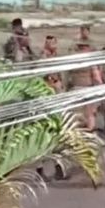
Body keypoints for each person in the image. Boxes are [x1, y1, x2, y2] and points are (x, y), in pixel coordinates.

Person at [37, 35, 68, 181]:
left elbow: (61, 77)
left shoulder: (57, 57)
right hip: (46, 101)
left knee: (58, 134)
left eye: (54, 42)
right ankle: (41, 169)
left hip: (57, 99)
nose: (53, 45)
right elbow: (43, 76)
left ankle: (58, 167)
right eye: (50, 42)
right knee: (44, 136)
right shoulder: (43, 58)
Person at [67, 39, 103, 132]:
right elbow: (97, 78)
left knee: (75, 115)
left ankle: (76, 133)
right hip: (86, 90)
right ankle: (90, 132)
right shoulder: (90, 61)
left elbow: (67, 77)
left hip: (75, 89)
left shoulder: (72, 61)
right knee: (90, 114)